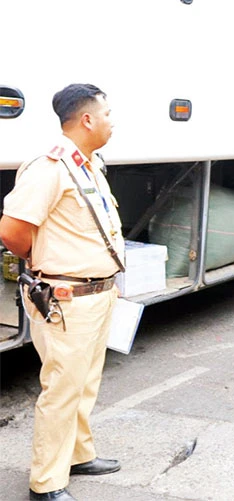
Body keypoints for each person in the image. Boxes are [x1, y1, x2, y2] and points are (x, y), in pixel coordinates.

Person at [0, 83, 124, 501]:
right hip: (67, 299)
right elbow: (13, 232)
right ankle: (47, 483)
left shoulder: (88, 164)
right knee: (62, 388)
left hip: (97, 295)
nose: (112, 120)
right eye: (107, 113)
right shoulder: (50, 168)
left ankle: (77, 454)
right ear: (87, 119)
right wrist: (47, 261)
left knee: (85, 383)